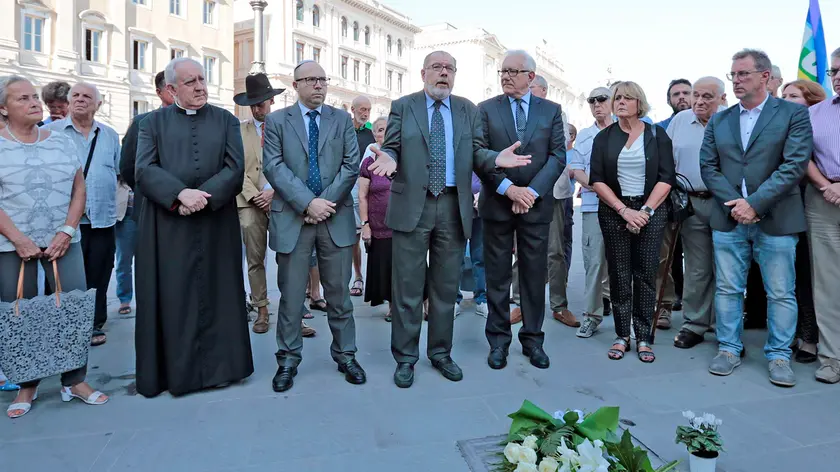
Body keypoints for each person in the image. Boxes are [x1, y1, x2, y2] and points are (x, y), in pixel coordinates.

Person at [367, 50, 530, 388]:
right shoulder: (403, 106)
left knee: (445, 287)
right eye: (437, 68)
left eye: (449, 69)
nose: (443, 74)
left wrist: (495, 157)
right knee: (408, 288)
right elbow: (393, 146)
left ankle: (440, 352)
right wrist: (389, 158)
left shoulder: (467, 109)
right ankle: (406, 358)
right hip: (414, 204)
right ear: (423, 72)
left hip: (453, 207)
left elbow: (478, 152)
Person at [134, 57, 254, 397]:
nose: (200, 86)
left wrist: (205, 196)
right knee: (175, 297)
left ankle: (222, 369)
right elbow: (143, 169)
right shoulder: (151, 123)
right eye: (190, 82)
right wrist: (180, 194)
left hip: (216, 224)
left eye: (202, 79)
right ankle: (177, 374)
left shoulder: (226, 120)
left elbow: (235, 167)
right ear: (171, 89)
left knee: (219, 293)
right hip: (169, 225)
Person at [700, 49, 813, 388]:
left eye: (744, 74)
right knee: (728, 288)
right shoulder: (720, 119)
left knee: (780, 291)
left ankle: (779, 355)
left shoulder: (792, 114)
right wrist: (736, 203)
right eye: (733, 75)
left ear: (765, 77)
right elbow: (708, 166)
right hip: (729, 216)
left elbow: (793, 164)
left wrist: (755, 203)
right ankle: (730, 349)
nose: (736, 80)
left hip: (776, 218)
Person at [0, 75, 108, 418]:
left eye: (34, 96)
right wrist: (17, 238)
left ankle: (75, 381)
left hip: (64, 242)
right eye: (22, 99)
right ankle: (27, 386)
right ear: (3, 109)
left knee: (73, 309)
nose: (33, 102)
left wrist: (67, 230)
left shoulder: (60, 141)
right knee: (21, 313)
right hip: (12, 245)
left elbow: (79, 188)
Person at [262, 60, 365, 393]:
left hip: (334, 219)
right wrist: (308, 203)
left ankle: (346, 355)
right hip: (293, 219)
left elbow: (351, 165)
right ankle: (288, 360)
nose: (319, 85)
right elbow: (274, 167)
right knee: (292, 299)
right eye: (311, 79)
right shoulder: (277, 121)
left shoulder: (342, 121)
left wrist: (324, 204)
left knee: (339, 297)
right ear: (296, 85)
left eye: (323, 79)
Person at [478, 51, 565, 371]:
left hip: (536, 205)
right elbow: (480, 153)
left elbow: (557, 157)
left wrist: (529, 192)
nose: (505, 76)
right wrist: (508, 189)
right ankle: (498, 342)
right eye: (503, 71)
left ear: (531, 76)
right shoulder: (486, 109)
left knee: (532, 276)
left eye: (513, 71)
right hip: (498, 203)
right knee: (498, 277)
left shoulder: (551, 111)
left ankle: (533, 340)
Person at [590, 81, 675, 363]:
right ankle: (622, 334)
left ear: (640, 103)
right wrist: (624, 211)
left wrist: (645, 212)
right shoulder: (604, 138)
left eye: (628, 98)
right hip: (615, 210)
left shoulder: (656, 134)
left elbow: (666, 178)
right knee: (619, 273)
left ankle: (643, 337)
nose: (621, 102)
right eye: (617, 98)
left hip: (651, 209)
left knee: (646, 274)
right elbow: (597, 180)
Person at [49, 83, 120, 347]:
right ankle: (65, 325)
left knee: (100, 273)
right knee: (66, 277)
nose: (80, 100)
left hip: (102, 218)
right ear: (68, 102)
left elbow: (118, 171)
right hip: (66, 222)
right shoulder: (50, 133)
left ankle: (93, 323)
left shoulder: (110, 135)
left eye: (87, 96)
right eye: (75, 95)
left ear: (98, 105)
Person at [667, 77, 727, 349]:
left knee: (727, 267)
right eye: (696, 96)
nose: (699, 102)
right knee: (697, 267)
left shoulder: (730, 120)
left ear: (722, 98)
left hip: (725, 202)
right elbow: (666, 159)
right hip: (691, 201)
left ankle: (725, 325)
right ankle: (694, 324)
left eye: (707, 97)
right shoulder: (680, 121)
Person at [233, 73, 285, 334]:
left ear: (271, 101)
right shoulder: (238, 130)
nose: (257, 107)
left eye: (262, 102)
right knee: (255, 259)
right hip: (249, 202)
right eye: (253, 103)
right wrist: (255, 195)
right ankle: (261, 310)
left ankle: (292, 314)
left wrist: (274, 191)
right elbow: (234, 167)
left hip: (282, 200)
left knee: (289, 257)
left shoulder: (285, 127)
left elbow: (293, 164)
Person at [119, 72, 174, 314]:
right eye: (170, 88)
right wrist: (152, 192)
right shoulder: (142, 122)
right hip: (150, 208)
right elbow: (128, 167)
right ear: (160, 92)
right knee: (150, 267)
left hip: (188, 210)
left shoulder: (201, 122)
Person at [780, 79, 826, 363]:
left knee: (812, 273)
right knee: (792, 274)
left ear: (811, 101)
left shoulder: (820, 124)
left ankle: (811, 337)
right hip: (783, 204)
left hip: (814, 200)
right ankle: (797, 331)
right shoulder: (780, 124)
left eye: (793, 95)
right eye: (783, 94)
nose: (785, 99)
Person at [804, 47, 840, 384]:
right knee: (828, 282)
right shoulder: (815, 113)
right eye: (834, 71)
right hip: (823, 197)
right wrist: (826, 186)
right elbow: (802, 155)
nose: (838, 77)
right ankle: (832, 358)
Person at [569, 87, 614, 338]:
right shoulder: (585, 136)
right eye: (591, 100)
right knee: (594, 263)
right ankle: (591, 316)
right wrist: (601, 188)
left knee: (623, 264)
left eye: (601, 99)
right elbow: (577, 171)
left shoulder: (627, 131)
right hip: (592, 207)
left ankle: (625, 318)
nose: (597, 104)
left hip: (624, 208)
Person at [358, 116, 393, 320]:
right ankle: (392, 305)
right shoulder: (368, 163)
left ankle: (422, 302)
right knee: (385, 266)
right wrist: (365, 225)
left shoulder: (405, 158)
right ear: (374, 135)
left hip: (404, 224)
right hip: (379, 225)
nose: (384, 133)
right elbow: (362, 196)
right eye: (380, 130)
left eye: (388, 129)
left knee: (410, 266)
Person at [349, 95, 374, 297]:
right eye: (362, 109)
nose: (365, 113)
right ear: (353, 109)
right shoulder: (344, 130)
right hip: (348, 188)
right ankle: (358, 277)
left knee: (372, 236)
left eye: (368, 109)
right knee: (354, 237)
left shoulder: (372, 132)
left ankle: (375, 279)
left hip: (369, 188)